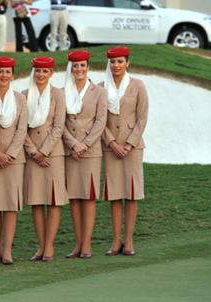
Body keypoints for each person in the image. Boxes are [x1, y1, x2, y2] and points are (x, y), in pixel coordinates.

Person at [99, 47, 149, 256]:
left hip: (133, 148)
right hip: (110, 148)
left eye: (120, 61)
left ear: (127, 63)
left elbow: (142, 118)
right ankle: (116, 241)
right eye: (112, 62)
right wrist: (112, 144)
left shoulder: (138, 85)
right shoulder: (101, 88)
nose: (116, 65)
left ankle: (129, 241)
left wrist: (128, 144)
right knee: (115, 194)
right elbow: (99, 121)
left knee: (131, 193)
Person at [61, 50, 107, 259]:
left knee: (88, 196)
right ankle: (77, 245)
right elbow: (58, 123)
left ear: (88, 67)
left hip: (90, 152)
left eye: (82, 65)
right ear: (71, 68)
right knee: (74, 198)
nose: (79, 69)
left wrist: (84, 145)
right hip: (70, 152)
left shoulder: (99, 92)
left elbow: (100, 122)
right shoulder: (63, 92)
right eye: (75, 66)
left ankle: (87, 244)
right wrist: (73, 145)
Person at [22, 56, 67, 262]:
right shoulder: (24, 95)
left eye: (45, 71)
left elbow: (59, 127)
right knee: (37, 201)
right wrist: (33, 152)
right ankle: (40, 247)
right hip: (32, 155)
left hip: (53, 155)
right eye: (37, 71)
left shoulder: (58, 94)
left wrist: (44, 151)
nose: (41, 75)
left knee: (53, 200)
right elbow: (21, 128)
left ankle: (49, 246)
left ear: (51, 73)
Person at [0, 57, 28, 265]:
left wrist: (9, 154)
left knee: (11, 204)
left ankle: (8, 250)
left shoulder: (20, 99)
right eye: (0, 71)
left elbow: (22, 130)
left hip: (14, 159)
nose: (4, 75)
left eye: (7, 72)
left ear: (12, 74)